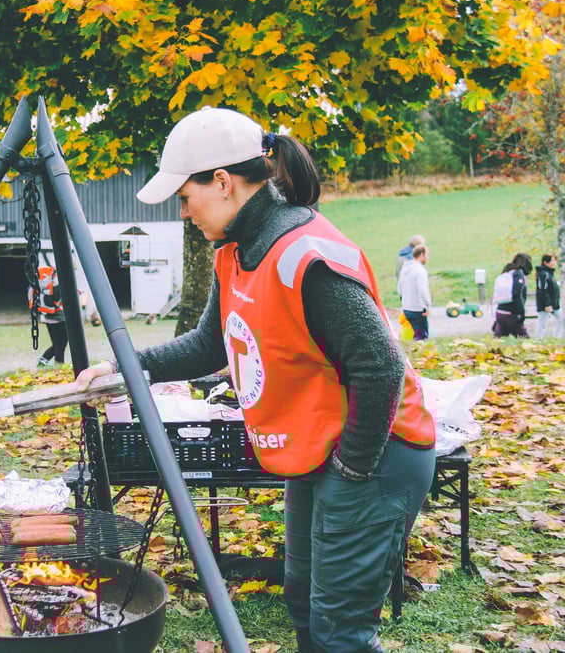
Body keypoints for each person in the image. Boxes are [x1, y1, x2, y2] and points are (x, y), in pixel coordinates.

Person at [76, 107, 436, 652]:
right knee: (303, 600)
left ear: (222, 182)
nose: (184, 210)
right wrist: (126, 368)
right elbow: (209, 344)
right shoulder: (236, 251)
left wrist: (353, 466)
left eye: (184, 196)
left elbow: (381, 365)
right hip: (318, 450)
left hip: (375, 453)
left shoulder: (305, 255)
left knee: (340, 629)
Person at [29, 265, 68, 366]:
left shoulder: (44, 280)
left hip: (47, 316)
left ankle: (44, 362)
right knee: (60, 345)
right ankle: (57, 365)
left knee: (58, 344)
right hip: (59, 317)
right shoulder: (57, 281)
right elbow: (59, 296)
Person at [397, 244, 432, 340]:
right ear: (421, 254)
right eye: (427, 255)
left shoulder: (404, 269)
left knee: (411, 336)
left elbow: (399, 289)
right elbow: (422, 290)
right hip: (418, 309)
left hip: (406, 308)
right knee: (421, 338)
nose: (428, 258)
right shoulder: (420, 271)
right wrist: (427, 305)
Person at [493, 252, 532, 338]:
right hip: (512, 313)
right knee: (525, 341)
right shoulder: (518, 274)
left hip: (500, 311)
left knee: (498, 341)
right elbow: (517, 295)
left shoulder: (507, 272)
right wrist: (522, 313)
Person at [535, 253, 563, 338]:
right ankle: (538, 341)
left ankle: (557, 338)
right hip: (546, 304)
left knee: (561, 320)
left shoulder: (549, 274)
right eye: (552, 260)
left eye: (555, 260)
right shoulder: (543, 274)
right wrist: (547, 304)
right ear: (546, 263)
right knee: (542, 323)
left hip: (554, 303)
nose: (554, 262)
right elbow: (542, 290)